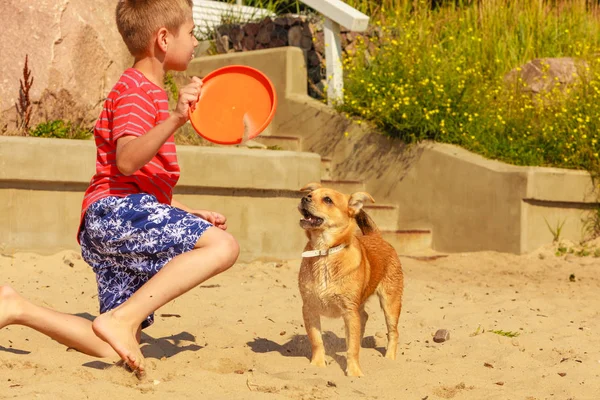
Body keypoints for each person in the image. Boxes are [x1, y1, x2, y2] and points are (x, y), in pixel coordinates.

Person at [0, 0, 239, 377]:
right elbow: (127, 160)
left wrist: (185, 213)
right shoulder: (135, 91)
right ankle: (125, 318)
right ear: (163, 39)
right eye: (191, 32)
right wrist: (177, 119)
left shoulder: (150, 92)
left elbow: (137, 178)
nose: (196, 41)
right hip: (114, 213)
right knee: (223, 246)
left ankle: (17, 308)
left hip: (115, 216)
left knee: (111, 348)